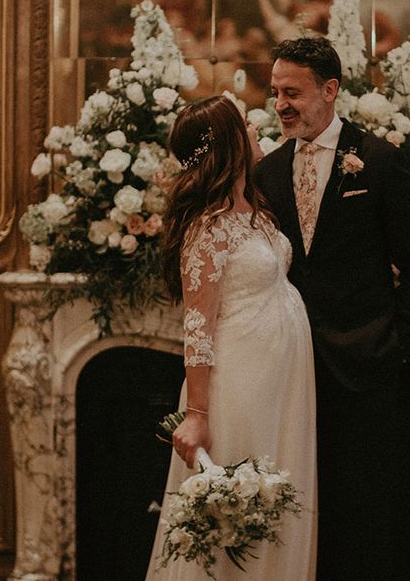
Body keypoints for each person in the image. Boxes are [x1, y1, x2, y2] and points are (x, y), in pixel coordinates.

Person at [254, 37, 410, 579]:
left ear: (330, 90)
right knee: (296, 498)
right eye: (275, 93)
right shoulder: (267, 171)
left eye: (293, 92)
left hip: (365, 361)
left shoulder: (379, 160)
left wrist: (396, 341)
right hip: (290, 367)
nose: (280, 104)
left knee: (364, 505)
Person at [145, 96, 317, 580]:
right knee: (238, 517)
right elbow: (197, 328)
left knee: (279, 506)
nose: (256, 126)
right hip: (239, 386)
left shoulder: (257, 211)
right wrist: (197, 415)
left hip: (282, 383)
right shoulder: (209, 228)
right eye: (245, 123)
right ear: (229, 143)